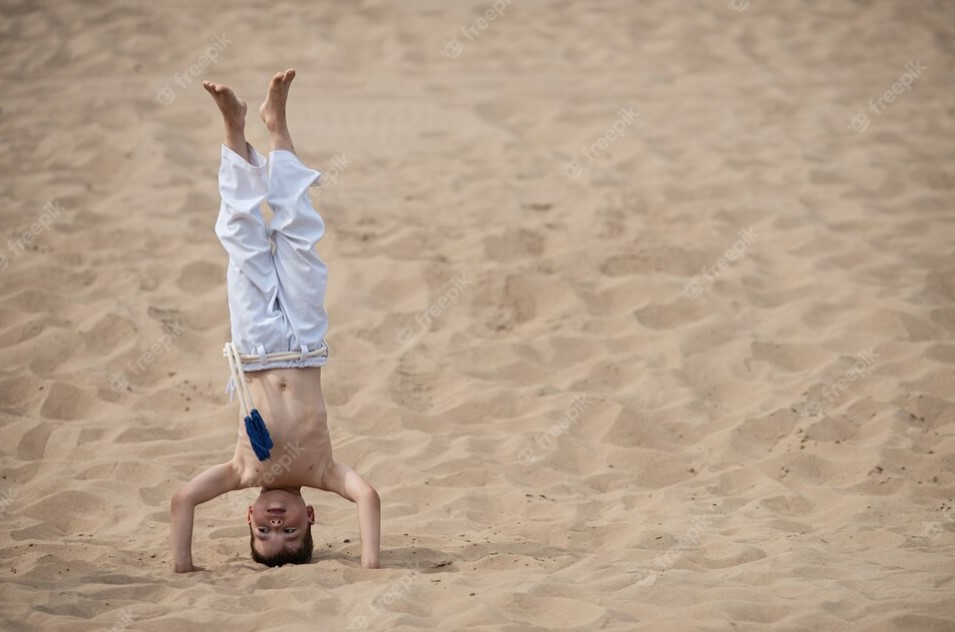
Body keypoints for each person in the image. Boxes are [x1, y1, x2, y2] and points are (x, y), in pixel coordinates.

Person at [170, 69, 380, 571]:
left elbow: (182, 501)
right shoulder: (324, 472)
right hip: (306, 343)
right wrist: (371, 564)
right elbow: (368, 498)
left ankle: (233, 129)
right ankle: (277, 124)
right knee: (297, 231)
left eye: (264, 531)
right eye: (290, 530)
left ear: (248, 515)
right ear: (311, 514)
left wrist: (183, 565)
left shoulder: (242, 471)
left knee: (243, 239)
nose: (276, 521)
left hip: (256, 346)